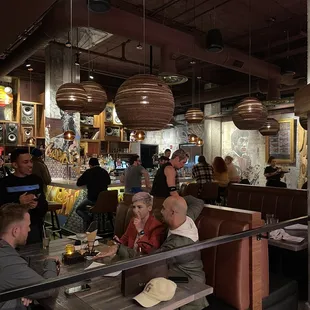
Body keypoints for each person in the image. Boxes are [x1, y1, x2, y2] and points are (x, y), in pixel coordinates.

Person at [95, 195, 208, 310]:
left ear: (173, 213)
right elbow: (198, 201)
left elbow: (149, 261)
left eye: (163, 208)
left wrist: (118, 248)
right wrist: (176, 197)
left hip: (188, 292)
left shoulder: (178, 245)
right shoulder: (186, 217)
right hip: (173, 278)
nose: (161, 211)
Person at [0, 203, 59, 309]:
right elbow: (49, 289)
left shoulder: (5, 251)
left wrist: (25, 291)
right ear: (16, 231)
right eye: (28, 226)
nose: (29, 230)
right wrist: (51, 262)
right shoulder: (7, 259)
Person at [0, 149, 48, 244]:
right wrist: (18, 203)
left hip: (33, 228)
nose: (30, 165)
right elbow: (1, 209)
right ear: (15, 165)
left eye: (31, 161)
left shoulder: (36, 180)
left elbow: (44, 205)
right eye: (25, 162)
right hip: (10, 232)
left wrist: (37, 204)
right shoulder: (4, 183)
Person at [98, 192, 166, 257]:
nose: (135, 211)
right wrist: (118, 242)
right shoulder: (133, 220)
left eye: (139, 207)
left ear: (149, 208)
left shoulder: (157, 226)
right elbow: (125, 238)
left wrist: (140, 230)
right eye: (134, 207)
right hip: (129, 258)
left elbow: (151, 250)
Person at [76, 158, 111, 229]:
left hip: (92, 200)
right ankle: (97, 222)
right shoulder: (104, 171)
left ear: (90, 165)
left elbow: (78, 183)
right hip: (105, 201)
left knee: (78, 209)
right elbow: (109, 182)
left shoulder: (88, 172)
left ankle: (89, 220)